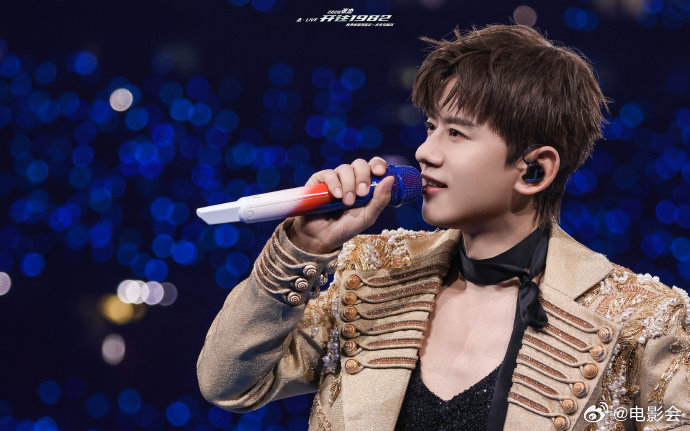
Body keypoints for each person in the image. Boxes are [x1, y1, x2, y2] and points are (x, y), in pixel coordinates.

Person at [196, 24, 690, 430]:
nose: (425, 151)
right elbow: (230, 384)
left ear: (534, 170)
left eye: (456, 132)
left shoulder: (640, 318)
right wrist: (304, 246)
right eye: (431, 126)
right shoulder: (370, 272)